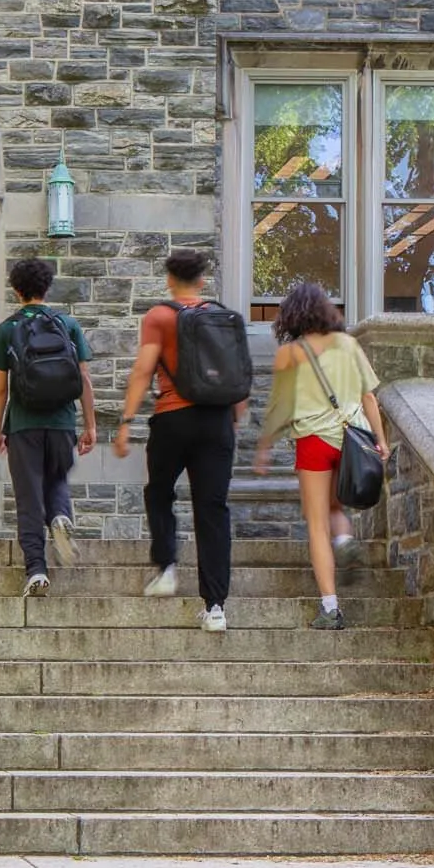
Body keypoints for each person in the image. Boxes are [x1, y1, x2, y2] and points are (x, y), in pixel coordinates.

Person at [110, 249, 251, 631]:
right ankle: (216, 606)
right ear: (203, 280)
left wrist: (125, 422)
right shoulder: (224, 317)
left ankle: (168, 567)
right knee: (213, 510)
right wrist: (235, 420)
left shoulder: (159, 316)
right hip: (217, 421)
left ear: (169, 279)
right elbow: (237, 375)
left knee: (159, 493)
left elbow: (143, 370)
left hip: (172, 417)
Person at [250, 282, 384, 634]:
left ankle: (330, 608)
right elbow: (369, 398)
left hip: (313, 443)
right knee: (334, 507)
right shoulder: (349, 344)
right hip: (352, 439)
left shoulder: (290, 354)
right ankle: (345, 542)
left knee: (316, 523)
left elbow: (279, 409)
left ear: (291, 315)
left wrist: (264, 448)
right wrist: (381, 441)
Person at [0, 256, 96, 598]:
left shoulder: (7, 330)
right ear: (47, 288)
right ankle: (60, 516)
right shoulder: (67, 325)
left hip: (23, 424)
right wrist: (89, 424)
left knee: (29, 497)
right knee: (57, 478)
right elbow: (85, 379)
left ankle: (36, 569)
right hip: (61, 422)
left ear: (17, 291)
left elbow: (0, 387)